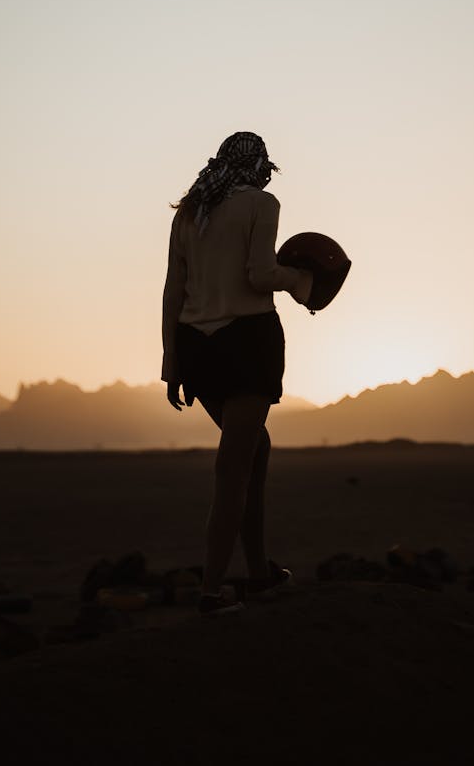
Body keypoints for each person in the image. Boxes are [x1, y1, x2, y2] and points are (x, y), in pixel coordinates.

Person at [161, 131, 313, 614]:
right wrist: (301, 282)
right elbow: (259, 275)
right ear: (261, 165)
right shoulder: (261, 204)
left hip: (197, 351)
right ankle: (211, 592)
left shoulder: (190, 211)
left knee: (254, 450)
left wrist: (171, 362)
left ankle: (259, 572)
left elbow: (173, 289)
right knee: (233, 469)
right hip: (246, 343)